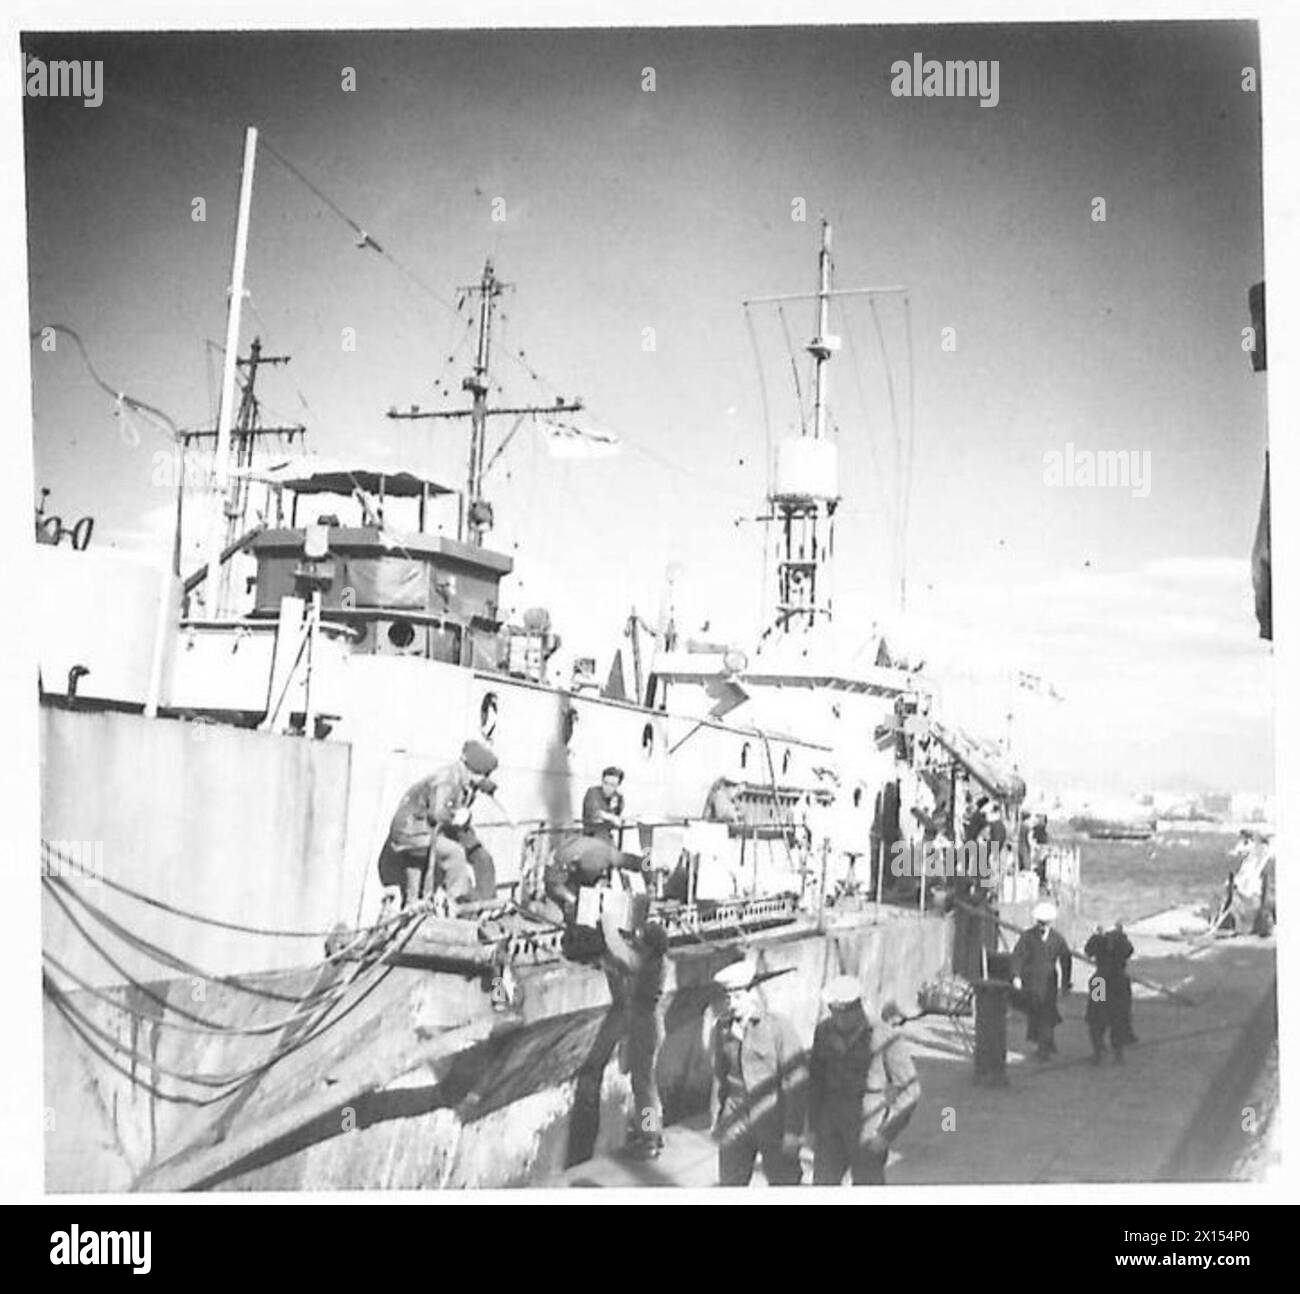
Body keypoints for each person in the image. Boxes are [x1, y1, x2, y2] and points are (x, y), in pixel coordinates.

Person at [809, 976, 920, 1185]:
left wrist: (886, 1134)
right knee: (823, 1186)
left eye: (845, 1012)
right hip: (830, 1126)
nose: (838, 1019)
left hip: (868, 1126)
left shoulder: (884, 1036)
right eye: (834, 1012)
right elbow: (815, 1082)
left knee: (868, 1188)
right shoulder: (824, 1032)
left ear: (858, 1008)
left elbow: (910, 1090)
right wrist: (813, 1127)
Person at [710, 960, 807, 1186]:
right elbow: (719, 1077)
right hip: (735, 1117)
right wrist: (716, 1119)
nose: (732, 1004)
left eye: (737, 997)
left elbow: (797, 1082)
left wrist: (793, 1131)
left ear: (752, 994)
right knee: (730, 1184)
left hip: (772, 1117)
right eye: (727, 998)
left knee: (785, 1183)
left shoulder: (778, 1028)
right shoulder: (722, 1029)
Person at [377, 740, 499, 908]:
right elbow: (438, 814)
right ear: (473, 771)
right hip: (411, 833)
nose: (485, 780)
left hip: (429, 829)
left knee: (480, 855)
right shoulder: (447, 779)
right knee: (455, 853)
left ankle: (487, 905)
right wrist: (457, 816)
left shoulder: (465, 782)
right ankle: (460, 904)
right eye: (484, 775)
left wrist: (474, 847)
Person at [600, 906, 669, 1159]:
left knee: (643, 1086)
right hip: (652, 1022)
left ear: (649, 947)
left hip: (644, 1025)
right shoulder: (659, 961)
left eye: (641, 941)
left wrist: (608, 923)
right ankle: (654, 1132)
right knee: (648, 1082)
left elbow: (620, 953)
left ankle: (649, 1137)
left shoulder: (644, 963)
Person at [1010, 900, 1073, 1060]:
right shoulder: (1028, 936)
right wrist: (1016, 976)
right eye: (1040, 923)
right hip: (1031, 980)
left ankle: (1045, 1047)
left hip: (1049, 981)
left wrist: (1065, 983)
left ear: (1050, 923)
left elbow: (1066, 960)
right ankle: (1043, 1042)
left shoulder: (1058, 939)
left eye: (1045, 923)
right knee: (1035, 1012)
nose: (1042, 926)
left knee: (1047, 1012)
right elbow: (1017, 956)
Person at [1083, 921, 1137, 1064]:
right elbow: (1130, 951)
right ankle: (1118, 1053)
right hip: (1118, 981)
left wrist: (1098, 936)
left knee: (1096, 1016)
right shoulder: (1122, 941)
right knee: (1119, 1016)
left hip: (1100, 981)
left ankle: (1098, 1051)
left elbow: (1087, 951)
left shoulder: (1098, 940)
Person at [582, 767, 626, 843]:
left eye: (612, 785)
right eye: (605, 783)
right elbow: (595, 812)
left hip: (606, 836)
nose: (608, 787)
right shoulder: (593, 792)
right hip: (590, 836)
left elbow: (619, 816)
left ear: (618, 785)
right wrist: (612, 818)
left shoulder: (617, 797)